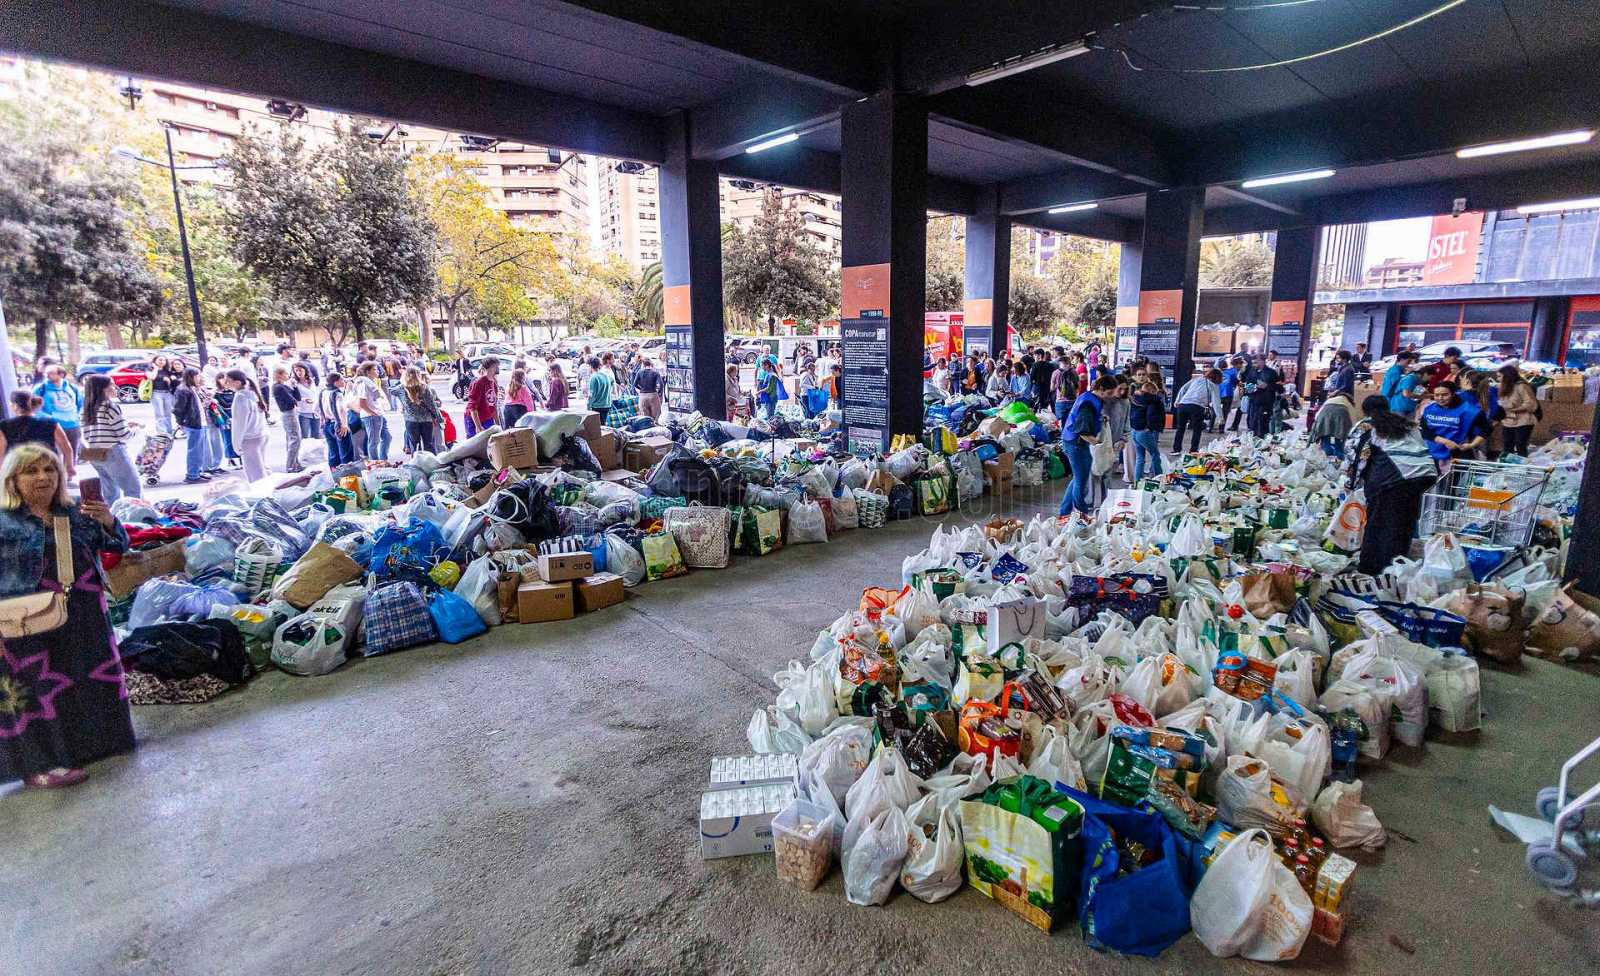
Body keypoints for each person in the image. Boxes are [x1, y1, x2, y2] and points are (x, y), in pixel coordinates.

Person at [0, 443, 133, 790]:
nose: (43, 477)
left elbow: (118, 548)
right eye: (31, 471)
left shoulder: (72, 512)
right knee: (39, 690)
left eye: (50, 470)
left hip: (83, 613)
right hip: (27, 621)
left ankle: (95, 745)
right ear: (12, 480)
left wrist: (109, 522)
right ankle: (40, 764)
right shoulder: (3, 521)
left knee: (88, 676)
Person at [1345, 397, 1439, 575]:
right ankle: (1397, 566)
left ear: (1365, 410)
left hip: (1393, 480)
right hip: (1425, 477)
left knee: (1378, 524)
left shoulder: (1366, 426)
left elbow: (1357, 456)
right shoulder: (1406, 424)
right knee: (1403, 522)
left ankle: (1372, 568)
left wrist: (1351, 484)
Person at [77, 375, 141, 506]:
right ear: (102, 389)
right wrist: (137, 429)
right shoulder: (110, 407)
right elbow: (124, 435)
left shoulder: (85, 409)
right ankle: (135, 520)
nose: (116, 387)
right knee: (133, 490)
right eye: (112, 385)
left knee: (110, 494)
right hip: (113, 451)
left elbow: (96, 430)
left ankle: (113, 522)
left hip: (93, 452)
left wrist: (125, 424)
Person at [1059, 376, 1114, 518]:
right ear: (1101, 389)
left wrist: (1101, 419)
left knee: (1078, 477)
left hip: (1074, 442)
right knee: (1081, 479)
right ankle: (1080, 512)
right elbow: (1082, 431)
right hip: (1075, 443)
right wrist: (1098, 444)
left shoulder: (1090, 397)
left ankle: (1065, 511)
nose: (1110, 397)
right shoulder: (1088, 404)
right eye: (1109, 393)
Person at [0, 391, 77, 472]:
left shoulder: (4, 426)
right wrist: (69, 467)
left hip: (20, 472)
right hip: (49, 469)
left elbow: (0, 453)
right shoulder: (50, 422)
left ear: (15, 406)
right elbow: (67, 447)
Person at [1419, 380, 1486, 465]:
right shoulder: (1429, 409)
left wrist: (1472, 445)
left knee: (1457, 477)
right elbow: (1424, 431)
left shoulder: (1470, 411)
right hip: (1433, 452)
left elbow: (1486, 429)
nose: (1440, 398)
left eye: (1445, 395)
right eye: (1437, 395)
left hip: (1459, 452)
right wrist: (1445, 441)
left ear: (1453, 394)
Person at [223, 369, 269, 482]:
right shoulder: (253, 393)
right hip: (260, 435)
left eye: (228, 381)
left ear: (237, 382)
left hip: (250, 438)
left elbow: (239, 423)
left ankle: (262, 494)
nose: (226, 383)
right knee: (261, 467)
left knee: (255, 473)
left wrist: (236, 444)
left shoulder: (241, 397)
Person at [32, 364, 83, 461]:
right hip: (53, 427)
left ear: (61, 375)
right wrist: (48, 419)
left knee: (72, 456)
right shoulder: (40, 388)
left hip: (73, 425)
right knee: (54, 457)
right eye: (46, 373)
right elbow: (34, 408)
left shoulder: (72, 388)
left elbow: (79, 403)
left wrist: (77, 416)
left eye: (51, 373)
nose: (47, 375)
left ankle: (69, 476)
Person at [173, 368, 212, 484]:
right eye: (197, 376)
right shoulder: (183, 390)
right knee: (194, 450)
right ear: (191, 376)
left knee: (199, 449)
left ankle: (197, 471)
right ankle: (192, 474)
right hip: (193, 423)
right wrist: (180, 422)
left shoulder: (191, 388)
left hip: (199, 422)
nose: (199, 378)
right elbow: (178, 409)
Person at [1172, 367, 1223, 454]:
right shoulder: (1213, 386)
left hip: (1183, 405)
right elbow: (1216, 402)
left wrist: (1177, 401)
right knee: (1197, 430)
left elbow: (1183, 388)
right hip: (1197, 407)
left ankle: (1176, 449)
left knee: (1180, 428)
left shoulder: (1197, 379)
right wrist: (1220, 417)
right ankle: (1193, 450)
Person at [350, 362, 390, 461]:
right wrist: (372, 413)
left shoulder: (370, 382)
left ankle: (383, 460)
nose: (377, 371)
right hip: (371, 416)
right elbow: (362, 402)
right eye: (374, 369)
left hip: (378, 414)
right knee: (374, 442)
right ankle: (375, 463)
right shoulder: (364, 384)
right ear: (368, 372)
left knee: (387, 437)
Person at [400, 366, 445, 455]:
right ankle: (431, 464)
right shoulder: (424, 387)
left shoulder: (401, 388)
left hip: (411, 420)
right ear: (418, 375)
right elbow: (432, 405)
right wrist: (439, 418)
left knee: (415, 445)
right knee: (429, 444)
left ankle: (416, 465)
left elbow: (390, 390)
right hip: (426, 420)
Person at [1128, 380, 1166, 482]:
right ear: (1152, 391)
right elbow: (1151, 415)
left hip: (1134, 431)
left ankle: (1137, 481)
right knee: (1155, 455)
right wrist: (1150, 427)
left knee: (1140, 457)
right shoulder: (1153, 401)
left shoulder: (1135, 398)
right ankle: (1159, 478)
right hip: (1144, 432)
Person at [1498, 364, 1537, 457]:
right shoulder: (1503, 387)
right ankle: (1508, 467)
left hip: (1523, 421)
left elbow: (1530, 403)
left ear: (1507, 376)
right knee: (1507, 445)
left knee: (1520, 445)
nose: (1498, 379)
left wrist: (1514, 409)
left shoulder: (1521, 386)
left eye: (1499, 376)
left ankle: (1521, 467)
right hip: (1508, 420)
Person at [270, 366, 305, 473]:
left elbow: (297, 397)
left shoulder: (283, 386)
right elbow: (292, 400)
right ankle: (291, 466)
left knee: (293, 439)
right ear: (279, 375)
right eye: (285, 374)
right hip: (288, 413)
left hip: (291, 413)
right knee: (295, 439)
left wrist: (295, 386)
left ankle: (295, 463)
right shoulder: (278, 387)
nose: (288, 376)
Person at [318, 372, 356, 467]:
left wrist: (323, 417)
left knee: (333, 451)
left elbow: (316, 408)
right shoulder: (337, 394)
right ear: (336, 382)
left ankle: (334, 473)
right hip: (337, 424)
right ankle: (347, 475)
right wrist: (344, 425)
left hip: (327, 424)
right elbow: (341, 410)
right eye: (342, 380)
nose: (344, 381)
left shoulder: (323, 392)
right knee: (345, 452)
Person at [1310, 389, 1355, 459]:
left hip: (1324, 419)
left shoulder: (1329, 400)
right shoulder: (1348, 402)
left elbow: (1317, 415)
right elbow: (1353, 418)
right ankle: (1338, 459)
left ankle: (1326, 458)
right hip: (1342, 419)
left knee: (1326, 440)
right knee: (1339, 442)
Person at [1244, 356, 1281, 438]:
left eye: (1256, 362)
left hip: (1266, 403)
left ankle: (1263, 441)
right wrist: (1255, 387)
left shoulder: (1271, 372)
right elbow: (1247, 386)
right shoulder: (1252, 372)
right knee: (1252, 424)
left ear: (1262, 361)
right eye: (1253, 363)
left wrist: (1267, 386)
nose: (1254, 365)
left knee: (1264, 424)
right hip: (1254, 402)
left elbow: (1279, 387)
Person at [1380, 351, 1423, 418]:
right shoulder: (1397, 372)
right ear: (1402, 360)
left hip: (1396, 403)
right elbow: (1393, 390)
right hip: (1395, 403)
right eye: (1408, 362)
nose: (1409, 365)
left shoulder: (1396, 370)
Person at [466, 358, 501, 438]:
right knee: (475, 446)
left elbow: (493, 406)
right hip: (474, 419)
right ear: (489, 367)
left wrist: (498, 424)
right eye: (496, 366)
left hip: (488, 418)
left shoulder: (494, 382)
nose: (497, 369)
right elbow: (472, 407)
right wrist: (478, 427)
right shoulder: (478, 383)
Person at [149, 355, 180, 436]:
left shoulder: (168, 371)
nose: (162, 361)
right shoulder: (150, 369)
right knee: (159, 413)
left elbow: (172, 383)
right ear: (155, 360)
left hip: (167, 393)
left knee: (168, 413)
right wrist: (155, 368)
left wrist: (169, 381)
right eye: (160, 360)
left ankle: (169, 431)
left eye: (164, 360)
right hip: (156, 393)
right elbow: (152, 377)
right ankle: (162, 432)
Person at [1215, 358, 1240, 432]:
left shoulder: (1216, 372)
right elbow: (1235, 382)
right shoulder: (1231, 372)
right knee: (1225, 412)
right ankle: (1221, 428)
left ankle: (1210, 426)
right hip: (1228, 394)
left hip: (1217, 394)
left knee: (1215, 410)